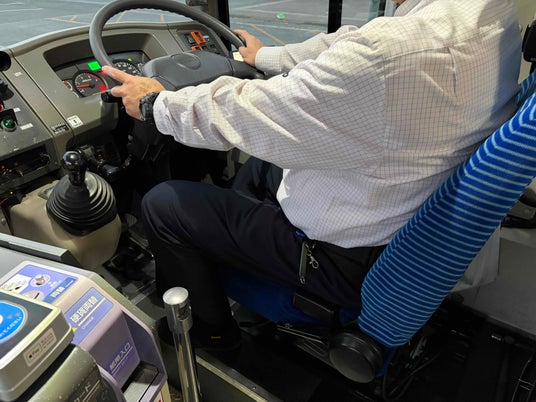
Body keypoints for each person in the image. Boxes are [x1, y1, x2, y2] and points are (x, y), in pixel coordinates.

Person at [102, 0, 522, 350]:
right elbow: (355, 44)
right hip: (401, 214)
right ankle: (231, 264)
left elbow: (253, 113)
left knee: (165, 206)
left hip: (342, 260)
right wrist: (265, 58)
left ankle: (211, 336)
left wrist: (157, 105)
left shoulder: (388, 54)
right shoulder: (488, 12)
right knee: (263, 165)